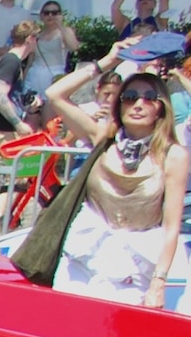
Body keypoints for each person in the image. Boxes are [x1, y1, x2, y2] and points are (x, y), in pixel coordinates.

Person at [40, 52, 186, 305]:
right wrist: (108, 60)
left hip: (133, 269)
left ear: (161, 107)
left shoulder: (174, 155)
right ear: (120, 104)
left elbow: (171, 226)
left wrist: (158, 284)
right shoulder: (102, 140)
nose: (138, 104)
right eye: (130, 98)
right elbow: (55, 95)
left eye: (149, 98)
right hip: (83, 258)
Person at [0, 22, 38, 132]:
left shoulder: (11, 61)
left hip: (4, 129)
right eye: (36, 39)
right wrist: (18, 124)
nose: (37, 43)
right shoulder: (11, 61)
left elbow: (12, 97)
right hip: (0, 132)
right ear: (30, 39)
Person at [27, 0, 78, 96]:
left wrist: (60, 25)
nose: (50, 16)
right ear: (41, 16)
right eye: (46, 13)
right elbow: (30, 61)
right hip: (35, 74)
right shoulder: (37, 35)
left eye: (54, 13)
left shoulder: (65, 31)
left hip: (54, 74)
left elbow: (74, 47)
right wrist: (25, 79)